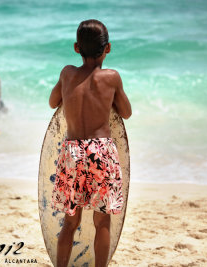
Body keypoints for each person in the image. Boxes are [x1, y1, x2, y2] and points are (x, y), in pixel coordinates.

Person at [49, 19, 132, 267]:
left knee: (70, 221)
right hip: (102, 153)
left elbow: (54, 102)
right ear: (108, 49)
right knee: (102, 221)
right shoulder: (112, 77)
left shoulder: (67, 73)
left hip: (72, 152)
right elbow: (126, 112)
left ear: (76, 48)